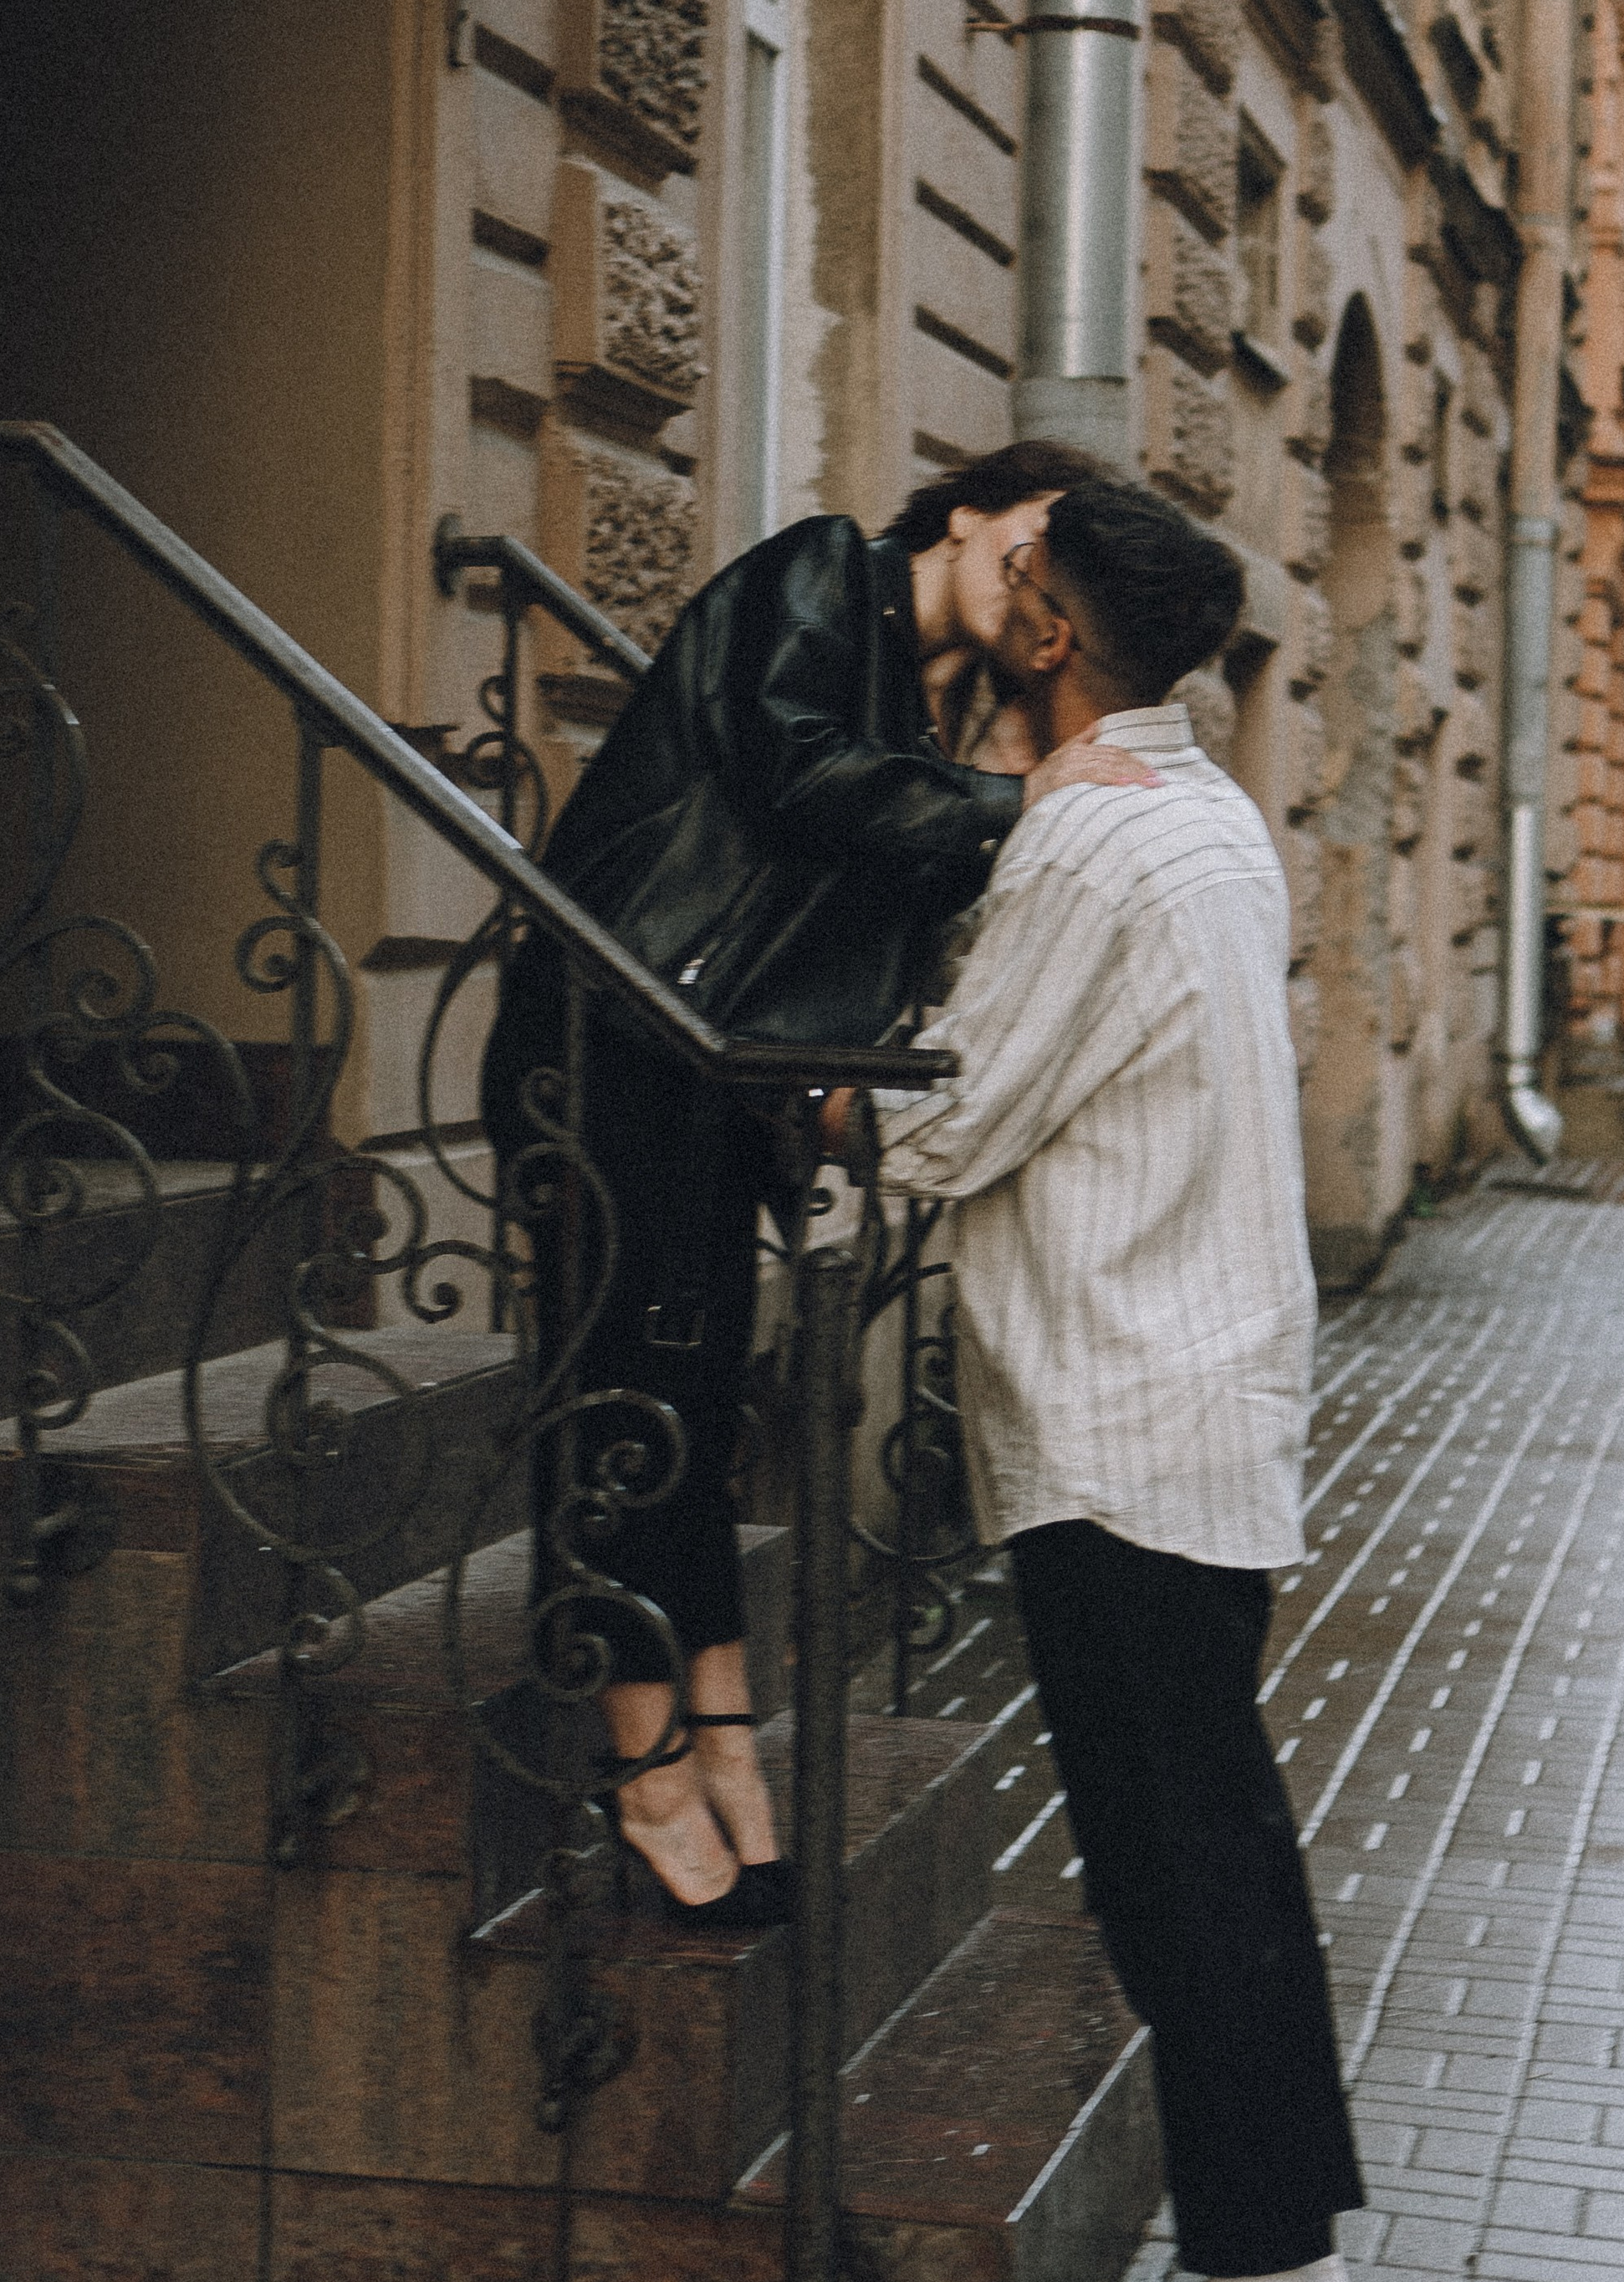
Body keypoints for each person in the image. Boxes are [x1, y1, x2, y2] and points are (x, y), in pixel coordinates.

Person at [840, 475, 1370, 2282]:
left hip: (1121, 1423)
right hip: (1195, 1403)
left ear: (1050, 633)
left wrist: (794, 1104)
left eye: (1013, 568)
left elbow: (943, 1123)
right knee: (1210, 1858)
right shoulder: (1203, 816)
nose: (982, 577)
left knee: (1179, 1874)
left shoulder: (1093, 842)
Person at [479, 443, 1153, 1923]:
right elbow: (794, 775)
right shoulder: (816, 574)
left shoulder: (924, 706)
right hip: (609, 1037)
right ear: (967, 511)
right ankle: (644, 1769)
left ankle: (721, 1735)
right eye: (1034, 537)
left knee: (695, 1410)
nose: (1038, 580)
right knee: (620, 1407)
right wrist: (1019, 800)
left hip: (706, 1068)